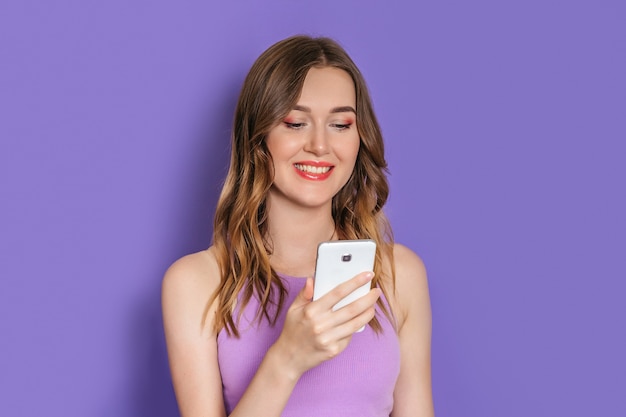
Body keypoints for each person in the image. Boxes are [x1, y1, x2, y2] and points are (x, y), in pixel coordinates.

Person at [162, 35, 434, 417]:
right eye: (295, 123)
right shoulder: (197, 283)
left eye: (340, 124)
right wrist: (287, 359)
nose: (320, 145)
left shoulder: (398, 275)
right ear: (258, 137)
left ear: (360, 139)